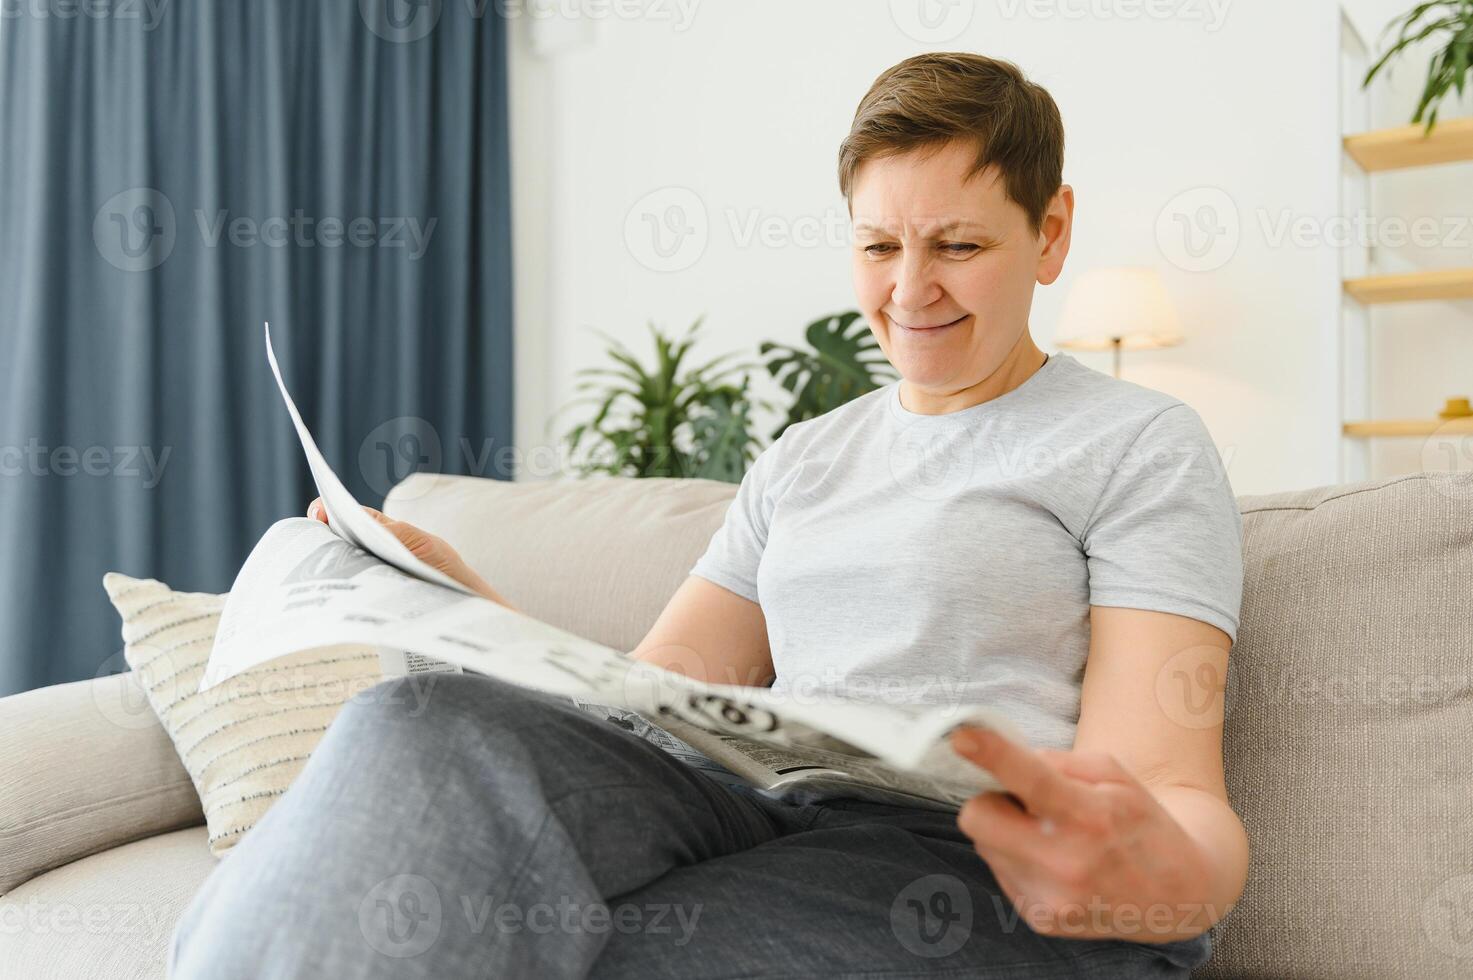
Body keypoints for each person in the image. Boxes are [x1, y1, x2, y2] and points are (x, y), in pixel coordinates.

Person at [170, 52, 1245, 978]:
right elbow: (654, 700)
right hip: (757, 806)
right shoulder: (804, 459)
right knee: (416, 721)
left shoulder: (1134, 442)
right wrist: (465, 597)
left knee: (581, 945)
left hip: (962, 851)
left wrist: (1161, 880)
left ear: (1050, 232)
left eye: (958, 246)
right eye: (879, 246)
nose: (910, 289)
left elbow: (1172, 791)